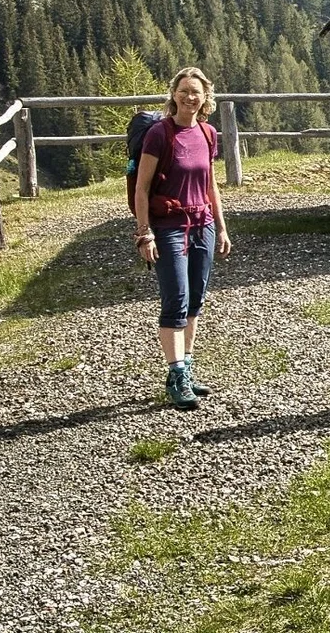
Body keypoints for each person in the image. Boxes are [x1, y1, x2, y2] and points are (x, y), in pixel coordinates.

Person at [132, 67, 232, 410]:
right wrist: (145, 233)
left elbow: (210, 184)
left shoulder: (207, 133)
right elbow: (142, 189)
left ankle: (186, 369)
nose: (190, 97)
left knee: (195, 301)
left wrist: (221, 226)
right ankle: (176, 377)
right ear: (173, 94)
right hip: (169, 227)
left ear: (206, 98)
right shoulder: (160, 134)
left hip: (202, 223)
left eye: (197, 92)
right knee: (175, 299)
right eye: (184, 90)